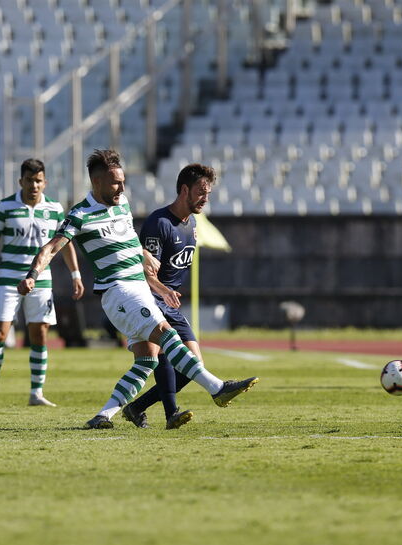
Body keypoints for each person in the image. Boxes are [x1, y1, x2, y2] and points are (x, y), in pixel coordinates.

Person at [18, 149, 257, 429]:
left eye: (122, 181)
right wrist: (33, 274)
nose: (121, 187)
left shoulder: (122, 204)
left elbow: (129, 241)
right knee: (166, 333)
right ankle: (217, 388)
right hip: (118, 291)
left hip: (140, 289)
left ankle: (103, 416)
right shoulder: (80, 215)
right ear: (96, 182)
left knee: (147, 362)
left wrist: (146, 260)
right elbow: (51, 247)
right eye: (115, 182)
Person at [0, 158, 84, 408]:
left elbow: (64, 244)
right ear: (20, 181)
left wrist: (75, 274)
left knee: (39, 334)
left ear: (45, 182)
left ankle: (36, 392)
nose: (34, 185)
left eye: (38, 180)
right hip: (8, 280)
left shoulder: (54, 208)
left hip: (42, 281)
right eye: (29, 180)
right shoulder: (5, 207)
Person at [121, 163, 217, 429]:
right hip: (150, 299)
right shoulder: (158, 223)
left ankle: (136, 407)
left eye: (208, 193)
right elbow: (146, 272)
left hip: (171, 303)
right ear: (184, 189)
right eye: (200, 191)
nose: (205, 198)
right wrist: (163, 291)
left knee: (194, 364)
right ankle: (171, 414)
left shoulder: (193, 224)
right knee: (163, 352)